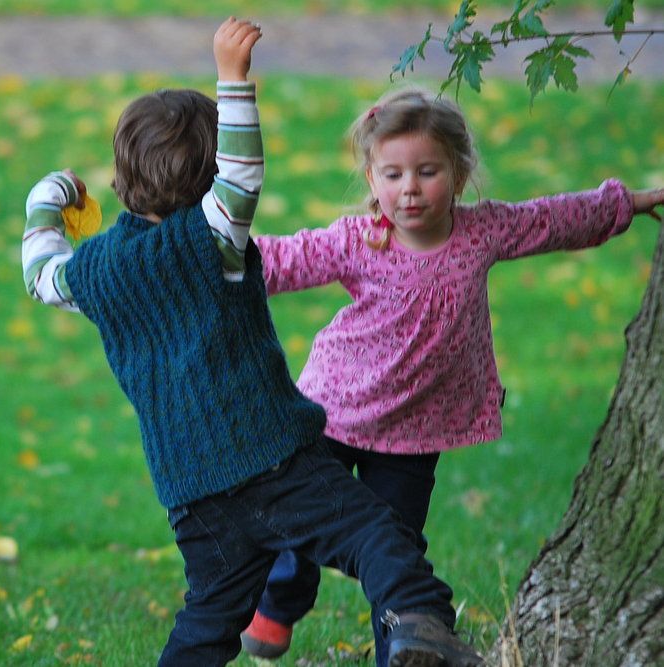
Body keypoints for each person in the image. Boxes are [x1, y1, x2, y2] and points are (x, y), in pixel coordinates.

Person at [21, 19, 485, 667]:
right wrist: (232, 78)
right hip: (273, 461)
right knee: (376, 532)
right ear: (211, 176)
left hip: (192, 493)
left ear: (124, 176)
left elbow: (40, 273)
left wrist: (49, 195)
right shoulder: (212, 238)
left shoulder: (97, 272)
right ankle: (417, 624)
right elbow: (241, 174)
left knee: (210, 615)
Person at [241, 84, 664, 666]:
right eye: (392, 175)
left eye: (427, 171)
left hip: (415, 430)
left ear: (459, 175)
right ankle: (278, 604)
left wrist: (628, 203)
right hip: (334, 411)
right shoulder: (359, 240)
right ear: (372, 181)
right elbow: (282, 259)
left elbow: (552, 220)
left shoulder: (481, 233)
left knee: (399, 547)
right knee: (303, 518)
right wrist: (207, 261)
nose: (409, 188)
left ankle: (404, 648)